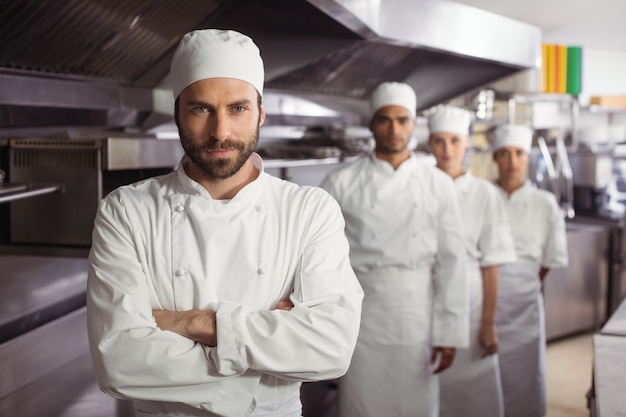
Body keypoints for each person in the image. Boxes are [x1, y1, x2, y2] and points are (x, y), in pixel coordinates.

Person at [86, 29, 364, 417]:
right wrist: (262, 367)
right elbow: (119, 361)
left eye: (237, 108)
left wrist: (196, 323)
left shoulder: (310, 210)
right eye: (201, 109)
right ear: (177, 111)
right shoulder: (126, 211)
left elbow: (331, 349)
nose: (220, 132)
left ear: (261, 112)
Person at [320, 82, 468, 417]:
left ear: (414, 124)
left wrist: (449, 332)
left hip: (417, 311)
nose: (394, 128)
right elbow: (322, 258)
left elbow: (452, 261)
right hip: (360, 311)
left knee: (416, 403)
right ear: (372, 124)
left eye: (402, 119)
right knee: (361, 403)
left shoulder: (438, 184)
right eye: (385, 120)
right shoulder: (341, 181)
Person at [427, 106, 517, 417]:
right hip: (425, 298)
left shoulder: (484, 194)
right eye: (439, 141)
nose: (447, 149)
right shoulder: (420, 185)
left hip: (472, 302)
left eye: (454, 140)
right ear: (429, 144)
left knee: (475, 395)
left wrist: (489, 324)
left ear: (467, 143)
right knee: (427, 387)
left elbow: (491, 262)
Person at [491, 124, 568, 417]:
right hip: (484, 298)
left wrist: (526, 283)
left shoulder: (544, 203)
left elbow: (551, 257)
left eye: (519, 153)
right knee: (484, 375)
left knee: (524, 373)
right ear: (495, 158)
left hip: (525, 302)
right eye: (505, 154)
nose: (512, 161)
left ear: (528, 158)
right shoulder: (483, 195)